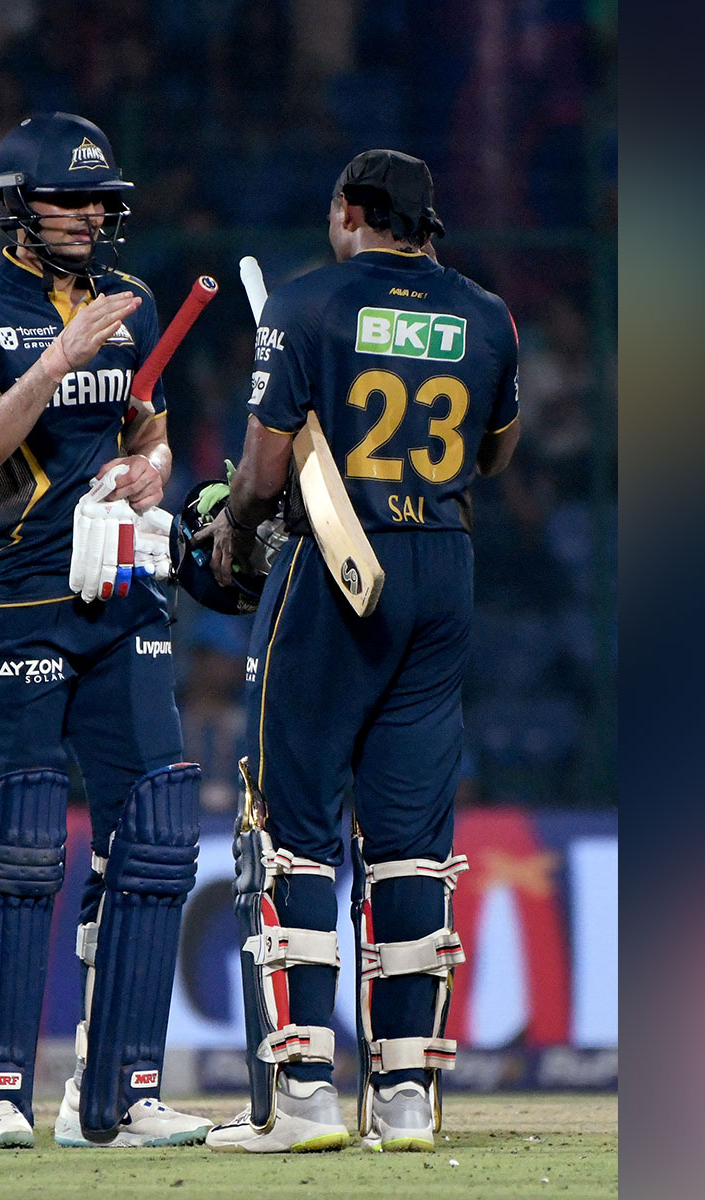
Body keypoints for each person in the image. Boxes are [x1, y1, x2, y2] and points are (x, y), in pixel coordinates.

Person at [192, 149, 521, 1153]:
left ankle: (301, 1096)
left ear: (347, 211)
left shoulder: (304, 304)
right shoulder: (488, 316)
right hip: (442, 566)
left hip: (337, 568)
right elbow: (494, 450)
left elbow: (260, 473)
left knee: (293, 823)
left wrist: (231, 525)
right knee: (410, 836)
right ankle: (407, 1096)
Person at [0, 112, 210, 1150]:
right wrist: (55, 362)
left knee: (157, 831)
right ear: (17, 207)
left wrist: (154, 469)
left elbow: (150, 428)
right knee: (18, 839)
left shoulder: (128, 305)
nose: (92, 215)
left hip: (122, 593)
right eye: (71, 199)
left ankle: (120, 1095)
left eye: (103, 200)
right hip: (14, 599)